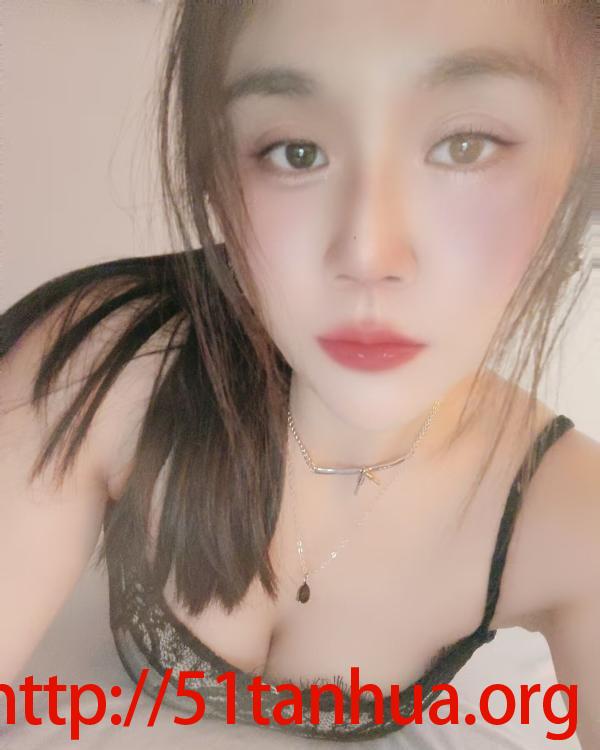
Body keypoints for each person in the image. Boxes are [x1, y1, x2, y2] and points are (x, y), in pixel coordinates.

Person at [1, 0, 598, 746]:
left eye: (464, 146)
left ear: (579, 169)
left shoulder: (573, 519)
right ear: (219, 166)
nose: (367, 254)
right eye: (297, 152)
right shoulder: (108, 365)